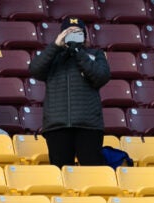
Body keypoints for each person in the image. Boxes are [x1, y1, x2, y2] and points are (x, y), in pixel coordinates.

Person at [28, 17, 111, 168]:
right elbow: (35, 70)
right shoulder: (53, 57)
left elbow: (101, 77)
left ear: (85, 36)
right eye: (69, 33)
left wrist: (79, 52)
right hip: (57, 125)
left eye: (78, 33)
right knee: (61, 173)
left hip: (88, 125)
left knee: (93, 173)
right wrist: (55, 46)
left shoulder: (95, 54)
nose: (74, 37)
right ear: (61, 35)